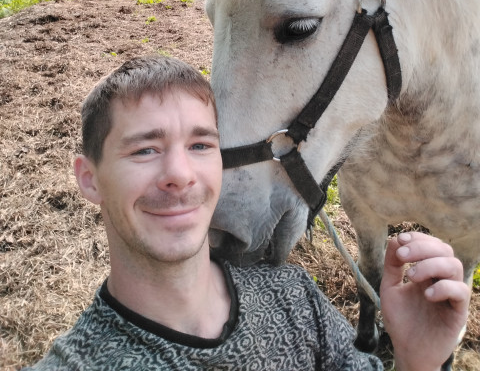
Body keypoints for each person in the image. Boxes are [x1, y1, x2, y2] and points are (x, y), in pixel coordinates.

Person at [24, 56, 470, 371]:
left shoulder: (296, 298)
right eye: (145, 149)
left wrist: (417, 361)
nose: (180, 174)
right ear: (88, 178)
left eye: (201, 145)